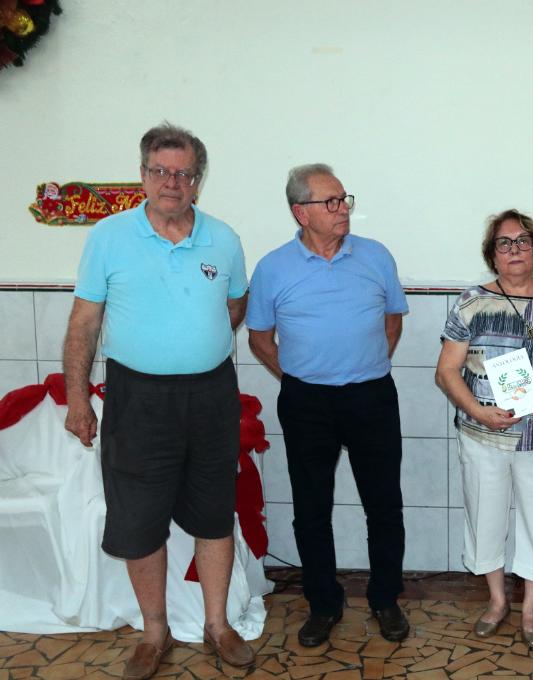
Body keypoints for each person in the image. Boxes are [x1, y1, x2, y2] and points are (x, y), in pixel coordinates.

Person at [63, 123, 254, 680]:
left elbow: (234, 307)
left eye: (184, 173)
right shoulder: (108, 237)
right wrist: (78, 399)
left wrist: (195, 343)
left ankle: (217, 624)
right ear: (143, 175)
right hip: (137, 400)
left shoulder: (224, 239)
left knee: (213, 513)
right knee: (139, 519)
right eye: (161, 171)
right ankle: (154, 631)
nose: (173, 182)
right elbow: (84, 323)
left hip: (211, 396)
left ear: (199, 180)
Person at [245, 164, 410, 646]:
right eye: (331, 202)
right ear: (301, 212)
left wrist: (365, 363)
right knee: (311, 508)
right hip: (307, 402)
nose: (343, 209)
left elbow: (393, 320)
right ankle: (323, 604)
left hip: (371, 395)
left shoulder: (376, 255)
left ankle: (385, 599)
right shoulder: (273, 267)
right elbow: (259, 338)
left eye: (344, 199)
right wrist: (298, 376)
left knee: (384, 504)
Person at [435, 209, 533, 649]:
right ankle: (497, 600)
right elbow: (446, 371)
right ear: (493, 255)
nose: (514, 249)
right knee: (484, 516)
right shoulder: (471, 301)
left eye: (523, 241)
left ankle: (530, 608)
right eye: (504, 243)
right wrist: (478, 411)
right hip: (482, 434)